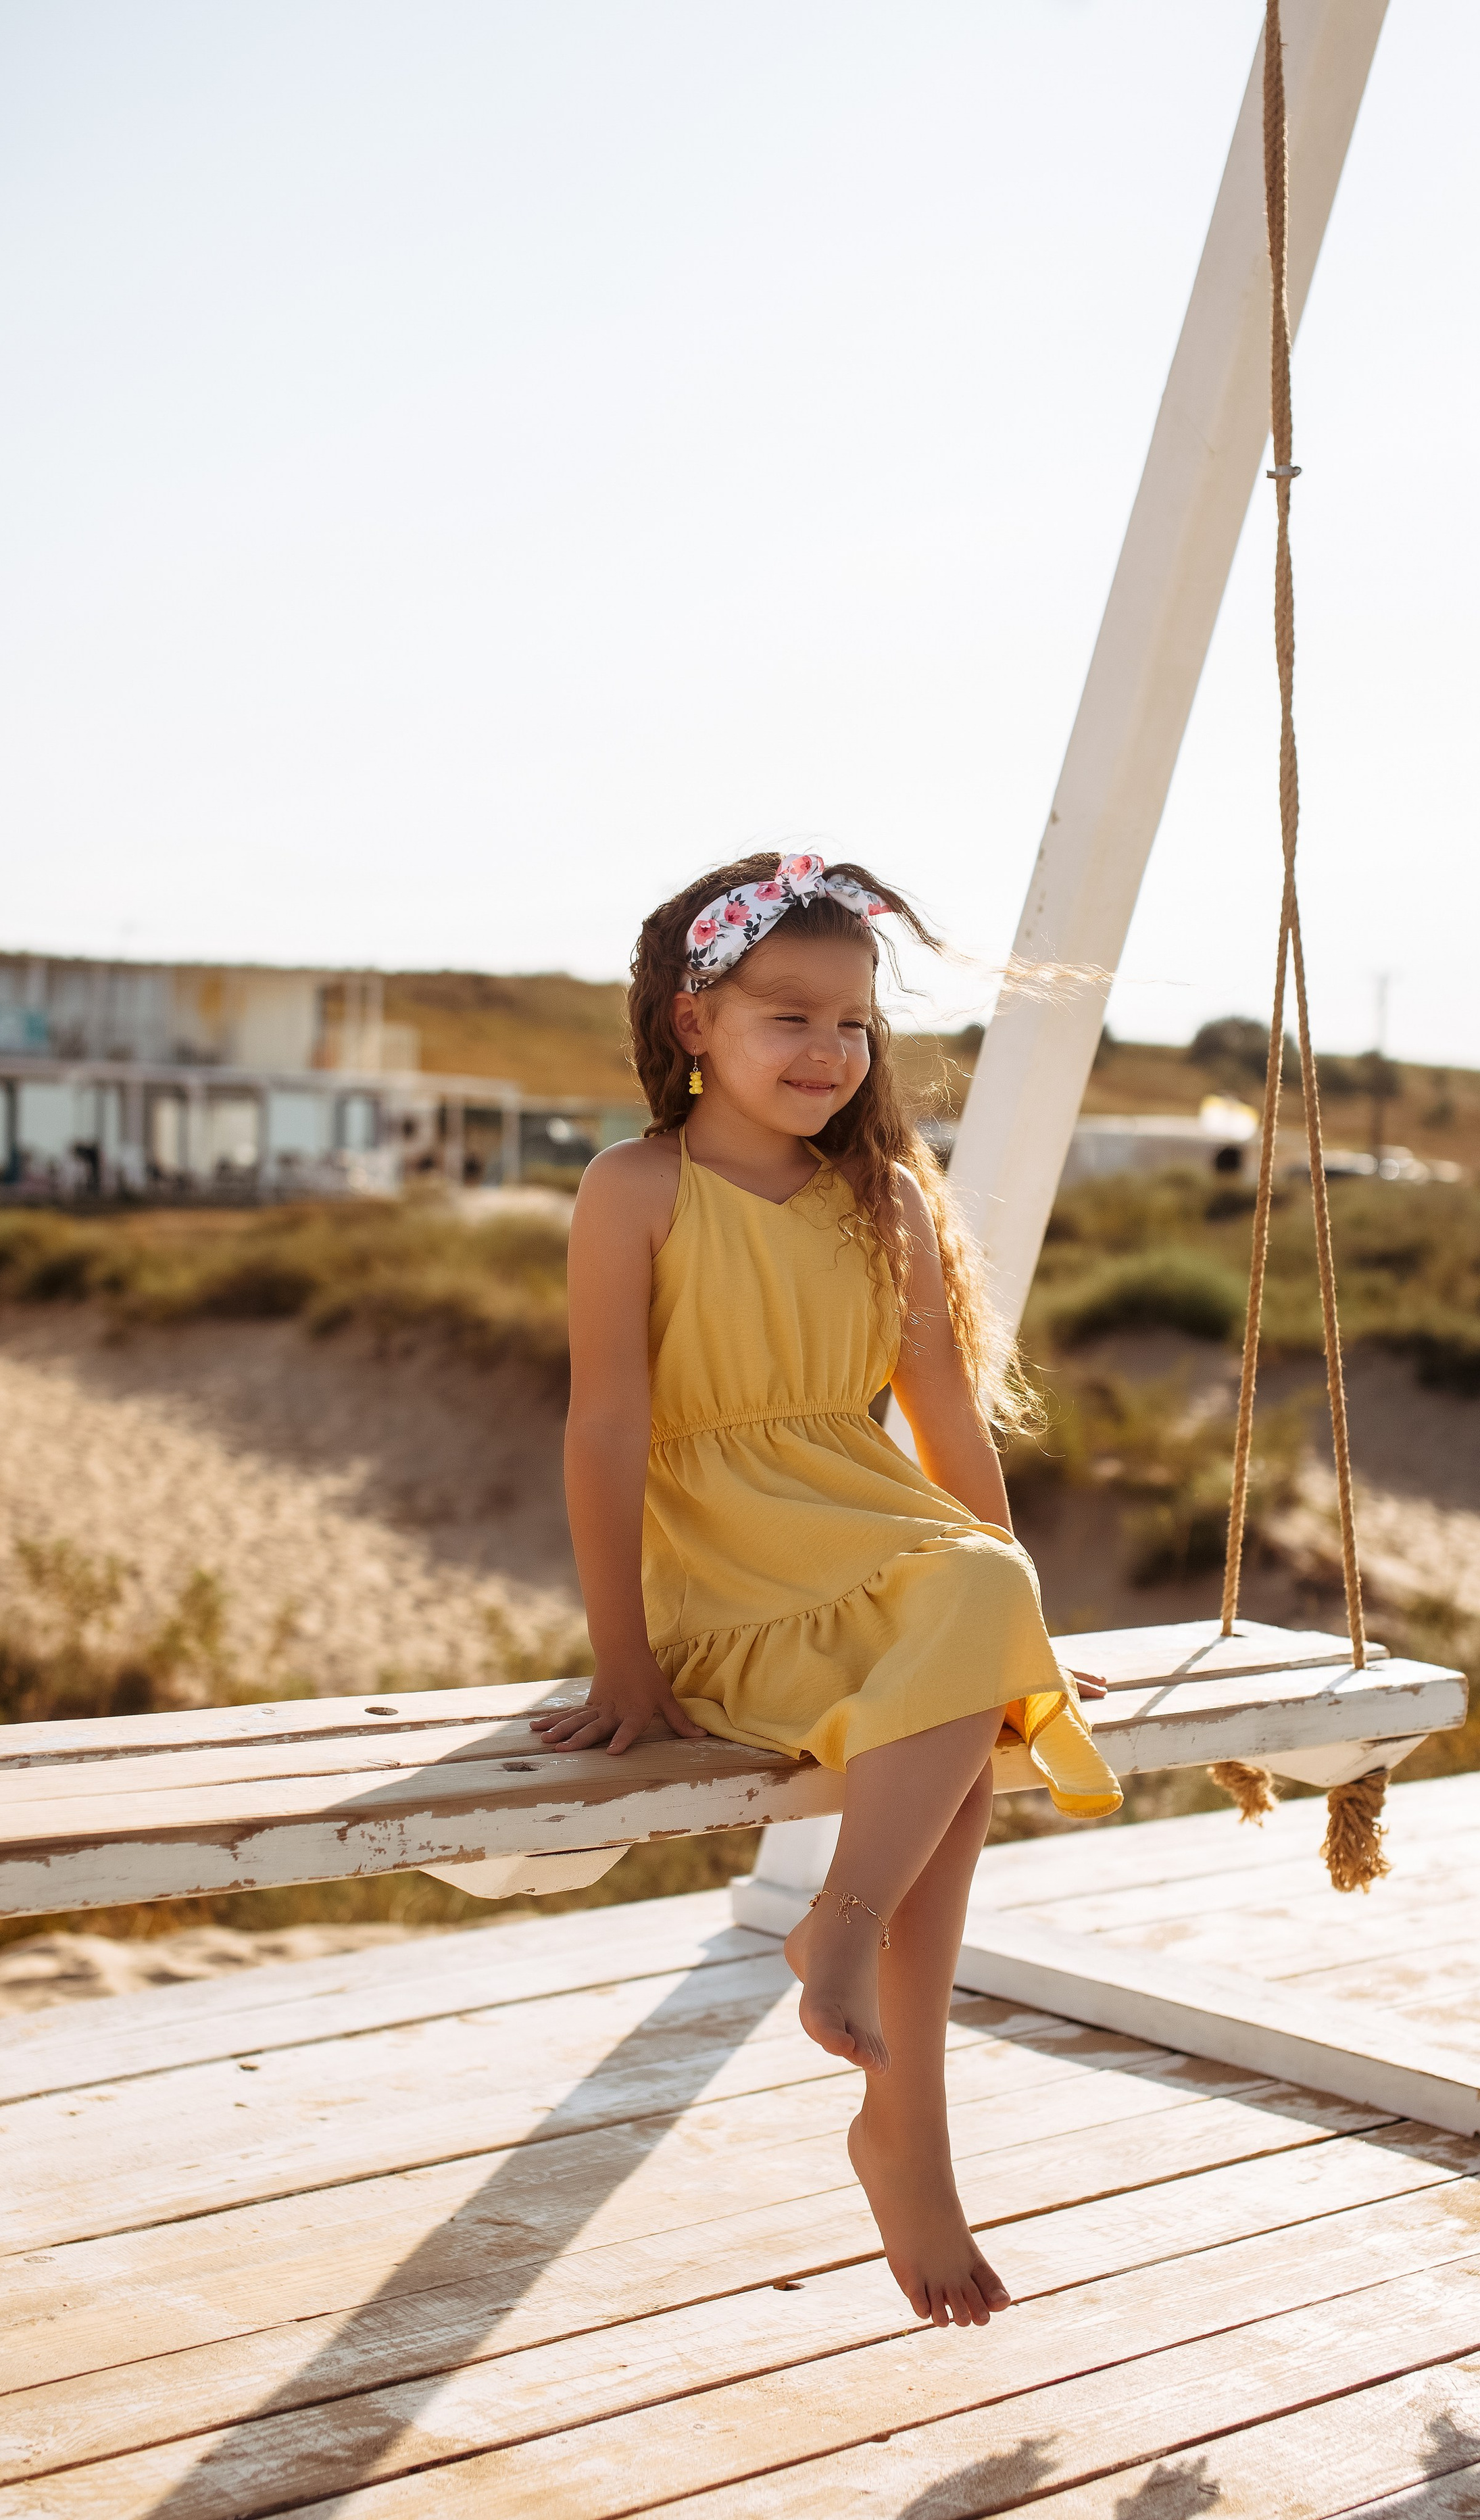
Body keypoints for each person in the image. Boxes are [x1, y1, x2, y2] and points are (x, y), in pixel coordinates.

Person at [534, 850, 1120, 2330]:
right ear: (691, 1026)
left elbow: (944, 1424)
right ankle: (901, 2114)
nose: (825, 1051)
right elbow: (602, 1425)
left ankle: (868, 2028)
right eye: (786, 1015)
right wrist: (622, 1663)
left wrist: (1017, 1621)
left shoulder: (888, 1200)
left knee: (974, 1637)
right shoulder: (635, 1188)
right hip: (729, 1567)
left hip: (877, 1541)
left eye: (852, 1023)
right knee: (962, 1716)